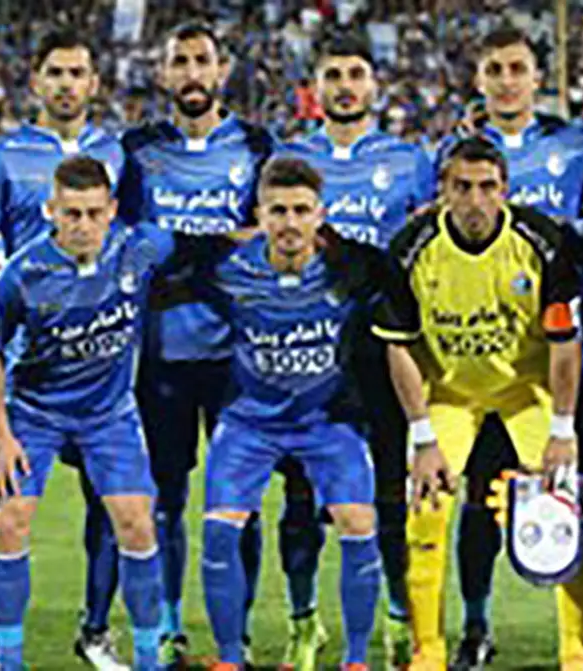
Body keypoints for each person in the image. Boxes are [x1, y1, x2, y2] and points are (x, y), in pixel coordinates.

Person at [433, 24, 583, 670]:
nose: (507, 80)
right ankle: (476, 625)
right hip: (482, 358)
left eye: (518, 68)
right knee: (479, 499)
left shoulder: (578, 144)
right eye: (495, 68)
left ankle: (579, 635)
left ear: (539, 77)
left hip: (560, 354)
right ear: (479, 78)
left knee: (572, 494)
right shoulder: (455, 152)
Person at [373, 137, 583, 671]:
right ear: (442, 190)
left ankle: (576, 648)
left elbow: (566, 345)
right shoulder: (409, 248)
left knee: (572, 508)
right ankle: (428, 651)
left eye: (487, 187)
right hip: (450, 394)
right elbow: (399, 347)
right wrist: (422, 438)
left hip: (528, 391)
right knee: (426, 511)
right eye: (462, 187)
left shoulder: (543, 242)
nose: (475, 201)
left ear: (506, 190)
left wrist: (563, 429)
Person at [0, 27, 129, 669]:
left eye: (77, 72)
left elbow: (133, 241)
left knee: (109, 501)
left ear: (94, 82)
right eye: (55, 72)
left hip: (101, 363)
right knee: (3, 496)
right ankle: (0, 640)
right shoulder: (2, 156)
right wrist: (19, 289)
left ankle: (96, 631)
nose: (66, 83)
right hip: (25, 364)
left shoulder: (116, 153)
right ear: (36, 81)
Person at [273, 32, 435, 670]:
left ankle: (399, 620)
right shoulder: (290, 158)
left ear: (374, 84)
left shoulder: (409, 161)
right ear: (315, 87)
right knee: (301, 501)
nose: (345, 86)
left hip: (386, 354)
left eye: (356, 74)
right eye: (333, 75)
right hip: (309, 357)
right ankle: (303, 623)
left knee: (392, 499)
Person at [117, 22, 274, 666]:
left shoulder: (256, 146)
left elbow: (264, 239)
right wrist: (214, 246)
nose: (190, 72)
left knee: (241, 504)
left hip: (239, 357)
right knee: (165, 501)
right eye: (178, 61)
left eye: (201, 60)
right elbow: (133, 244)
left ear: (221, 70)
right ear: (163, 74)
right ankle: (169, 629)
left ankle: (237, 637)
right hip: (162, 355)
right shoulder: (138, 150)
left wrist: (177, 249)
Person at [193, 157, 383, 671]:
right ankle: (230, 658)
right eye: (278, 211)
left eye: (301, 210)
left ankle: (356, 661)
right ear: (259, 215)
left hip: (327, 421)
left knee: (359, 523)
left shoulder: (351, 270)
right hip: (250, 422)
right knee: (219, 531)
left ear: (321, 214)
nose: (290, 223)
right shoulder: (228, 270)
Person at [0, 156, 168, 671]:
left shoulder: (140, 249)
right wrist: (2, 437)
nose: (83, 225)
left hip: (108, 414)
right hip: (34, 413)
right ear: (51, 211)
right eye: (71, 214)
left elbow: (207, 247)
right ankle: (8, 658)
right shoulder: (23, 274)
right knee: (10, 522)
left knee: (137, 524)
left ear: (112, 210)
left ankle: (147, 657)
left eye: (93, 213)